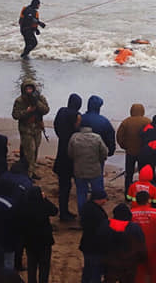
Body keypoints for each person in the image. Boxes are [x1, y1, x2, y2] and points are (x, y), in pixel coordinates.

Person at [53, 93, 83, 221]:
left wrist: (61, 135)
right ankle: (66, 214)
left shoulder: (61, 111)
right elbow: (78, 130)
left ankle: (63, 211)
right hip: (72, 154)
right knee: (74, 185)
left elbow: (55, 125)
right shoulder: (77, 116)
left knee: (63, 185)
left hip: (61, 151)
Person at [19, 186, 58, 283]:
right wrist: (45, 199)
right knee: (44, 266)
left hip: (30, 242)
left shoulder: (24, 206)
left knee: (31, 266)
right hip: (44, 241)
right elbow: (54, 211)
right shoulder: (43, 204)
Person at [11, 81, 49, 179]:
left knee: (35, 150)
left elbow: (46, 110)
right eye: (27, 89)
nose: (29, 91)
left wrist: (36, 102)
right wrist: (27, 112)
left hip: (37, 129)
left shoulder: (40, 98)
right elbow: (15, 115)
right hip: (26, 130)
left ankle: (31, 171)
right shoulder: (19, 101)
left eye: (30, 89)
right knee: (29, 152)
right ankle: (28, 174)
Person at [69, 124, 109, 215]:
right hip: (94, 170)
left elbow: (70, 153)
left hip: (79, 170)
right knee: (97, 194)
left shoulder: (74, 137)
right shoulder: (97, 137)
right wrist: (98, 160)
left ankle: (83, 215)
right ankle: (96, 214)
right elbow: (104, 153)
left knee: (81, 193)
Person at [105, 203, 146, 283]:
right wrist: (142, 258)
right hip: (128, 264)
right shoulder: (134, 228)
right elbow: (141, 245)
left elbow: (100, 243)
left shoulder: (106, 225)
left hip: (111, 264)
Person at [130, 190, 156, 283]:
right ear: (148, 200)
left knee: (138, 274)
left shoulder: (131, 214)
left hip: (137, 249)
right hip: (154, 248)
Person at [79, 183, 110, 283]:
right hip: (95, 246)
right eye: (104, 199)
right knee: (95, 271)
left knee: (88, 269)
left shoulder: (86, 207)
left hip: (86, 244)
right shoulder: (97, 213)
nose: (105, 201)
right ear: (99, 199)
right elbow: (103, 228)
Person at [116, 103, 150, 192]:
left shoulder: (126, 122)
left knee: (129, 174)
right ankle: (143, 192)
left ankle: (128, 193)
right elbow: (152, 135)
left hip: (130, 152)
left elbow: (119, 136)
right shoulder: (147, 121)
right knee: (143, 174)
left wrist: (124, 146)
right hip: (144, 153)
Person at [81, 95, 116, 160]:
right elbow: (110, 136)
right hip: (98, 155)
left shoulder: (80, 119)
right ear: (98, 107)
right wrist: (111, 150)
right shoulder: (104, 121)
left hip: (80, 154)